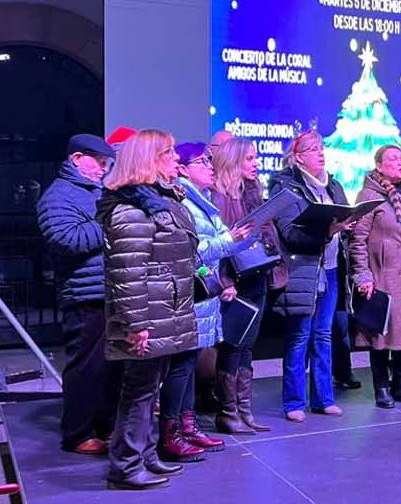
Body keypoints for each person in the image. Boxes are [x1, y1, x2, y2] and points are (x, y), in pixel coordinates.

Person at [97, 129, 199, 490]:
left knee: (148, 390)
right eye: (168, 153)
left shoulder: (160, 200)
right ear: (148, 161)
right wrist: (136, 324)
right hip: (148, 316)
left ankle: (146, 456)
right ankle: (126, 465)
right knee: (138, 391)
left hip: (165, 308)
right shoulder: (131, 210)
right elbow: (128, 274)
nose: (176, 159)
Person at [158, 143, 250, 461]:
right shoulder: (182, 201)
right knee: (181, 365)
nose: (211, 166)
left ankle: (187, 425)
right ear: (182, 168)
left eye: (210, 161)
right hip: (189, 292)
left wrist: (244, 237)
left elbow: (221, 245)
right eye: (202, 161)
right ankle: (171, 433)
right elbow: (194, 250)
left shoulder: (201, 199)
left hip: (203, 289)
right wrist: (229, 240)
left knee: (189, 363)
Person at [37, 134, 122, 455]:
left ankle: (106, 425)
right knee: (87, 367)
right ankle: (78, 433)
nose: (104, 169)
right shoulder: (57, 197)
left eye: (106, 164)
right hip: (84, 295)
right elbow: (67, 240)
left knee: (113, 366)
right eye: (99, 162)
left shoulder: (97, 192)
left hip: (110, 290)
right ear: (76, 159)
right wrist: (110, 221)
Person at [270, 130, 354, 422]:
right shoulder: (285, 186)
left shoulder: (334, 184)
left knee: (323, 335)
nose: (320, 153)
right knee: (299, 337)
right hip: (302, 270)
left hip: (330, 270)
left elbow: (343, 216)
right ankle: (293, 402)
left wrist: (346, 225)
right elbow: (290, 234)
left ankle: (323, 398)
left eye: (321, 148)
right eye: (312, 149)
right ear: (298, 157)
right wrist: (326, 231)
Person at [350, 145, 401, 408]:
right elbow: (358, 239)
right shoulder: (369, 195)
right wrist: (363, 275)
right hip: (383, 276)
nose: (400, 162)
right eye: (393, 159)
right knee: (383, 335)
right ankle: (381, 388)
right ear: (379, 166)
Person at [211, 138, 284, 433]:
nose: (255, 164)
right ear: (233, 161)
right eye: (249, 159)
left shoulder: (253, 193)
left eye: (255, 158)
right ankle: (228, 412)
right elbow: (218, 246)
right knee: (233, 345)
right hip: (234, 282)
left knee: (247, 346)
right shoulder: (218, 197)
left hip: (256, 276)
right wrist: (223, 281)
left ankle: (244, 409)